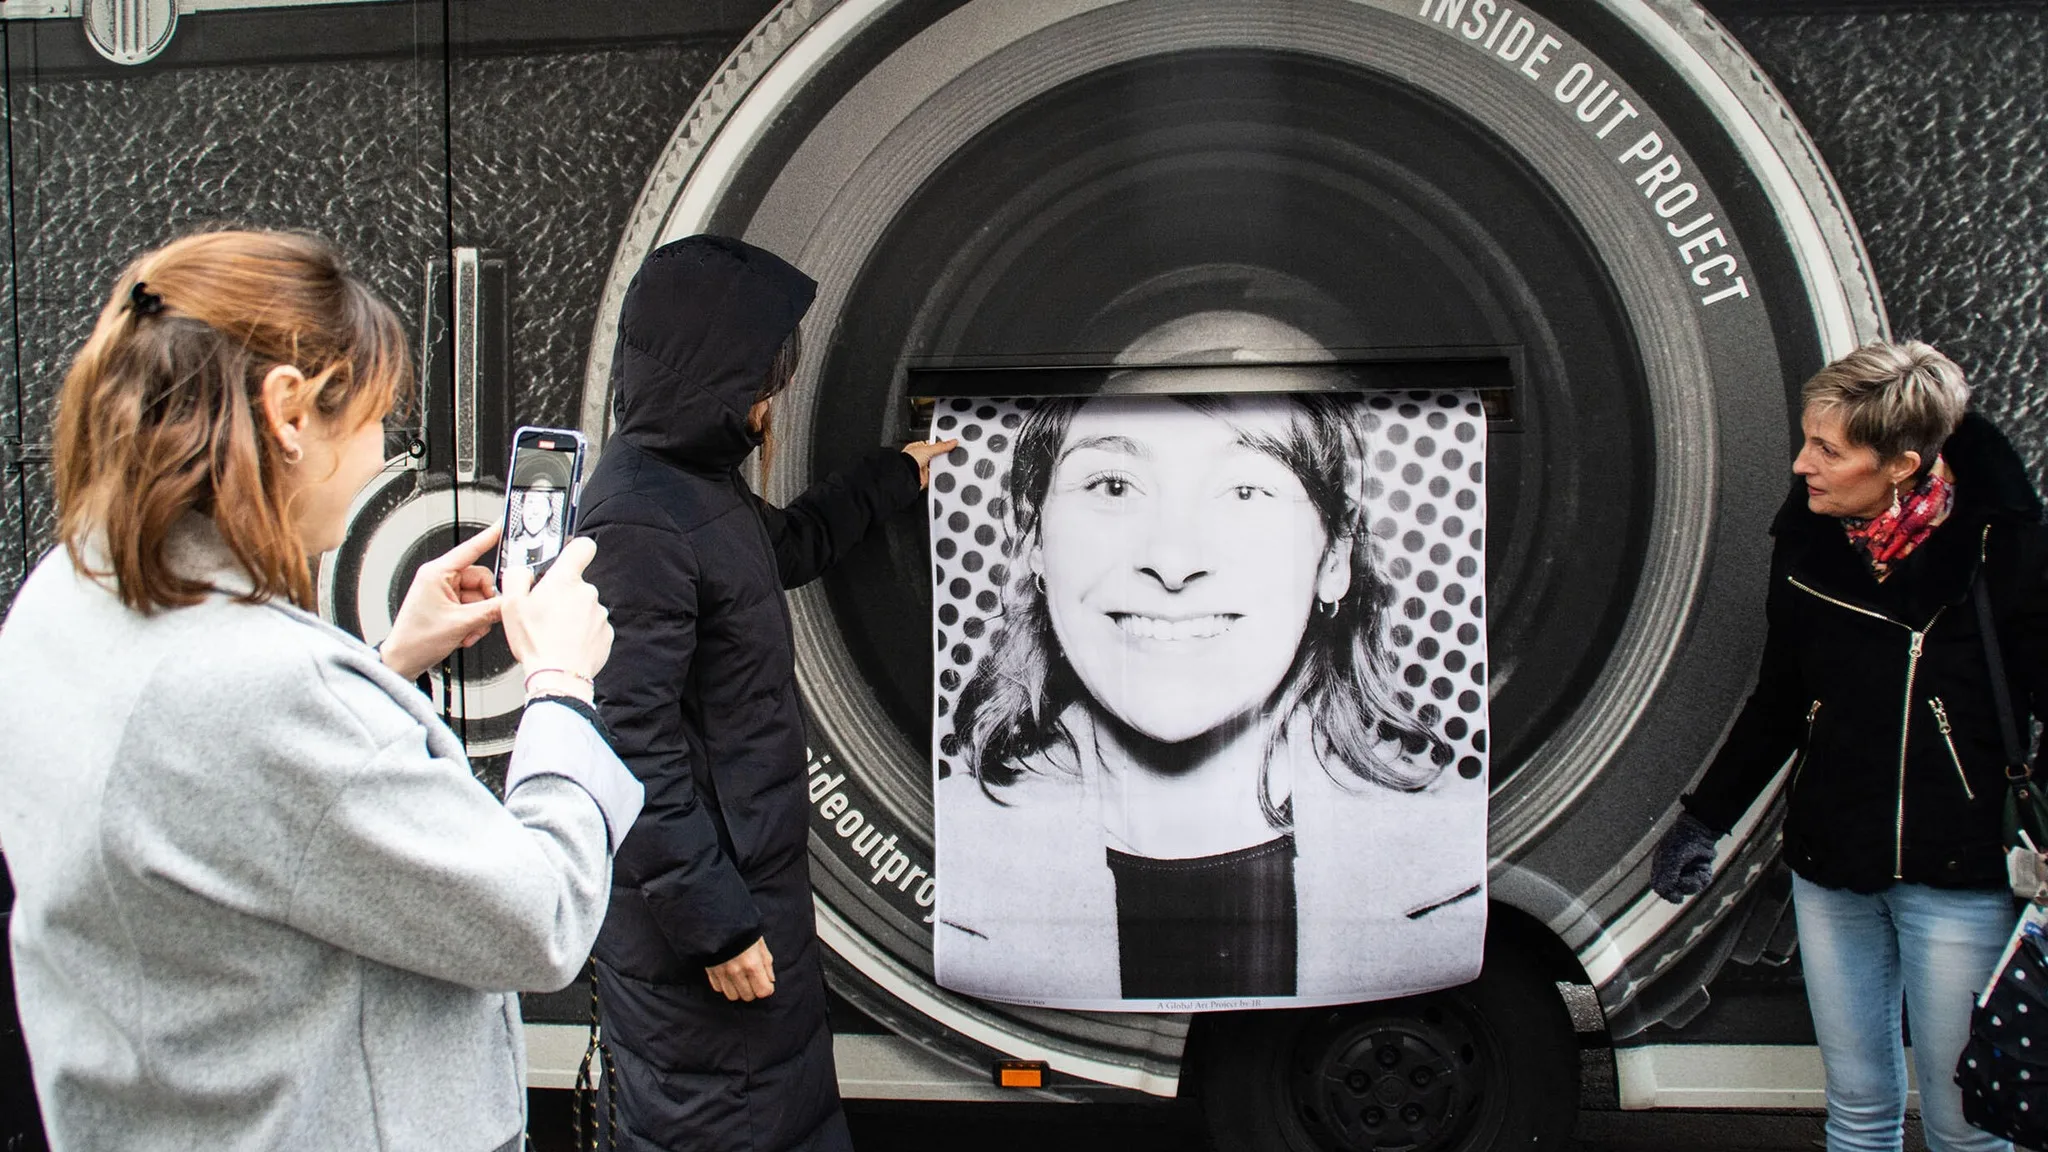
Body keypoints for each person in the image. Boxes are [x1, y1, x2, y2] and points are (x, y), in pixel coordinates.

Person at [0, 230, 645, 1152]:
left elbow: (235, 804)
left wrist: (387, 664)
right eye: (376, 417)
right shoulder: (266, 689)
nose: (385, 451)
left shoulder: (62, 597)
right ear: (289, 411)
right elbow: (538, 921)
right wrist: (559, 685)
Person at [577, 234, 955, 1152]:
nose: (770, 400)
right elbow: (631, 746)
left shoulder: (694, 488)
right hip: (702, 940)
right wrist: (715, 929)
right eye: (764, 378)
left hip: (746, 905)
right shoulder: (636, 515)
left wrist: (896, 472)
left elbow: (787, 546)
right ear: (716, 373)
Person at [936, 392, 1486, 1007]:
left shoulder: (1460, 854)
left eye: (1245, 492)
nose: (1173, 560)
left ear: (1333, 557)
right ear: (1035, 539)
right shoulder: (938, 850)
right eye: (1113, 486)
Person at [1653, 340, 2048, 1152]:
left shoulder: (2003, 551)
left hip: (1960, 878)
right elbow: (1778, 701)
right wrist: (1704, 819)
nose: (1802, 465)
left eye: (1827, 449)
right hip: (1832, 868)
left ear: (1901, 464)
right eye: (1808, 441)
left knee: (1964, 1126)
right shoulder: (1806, 547)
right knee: (1858, 1113)